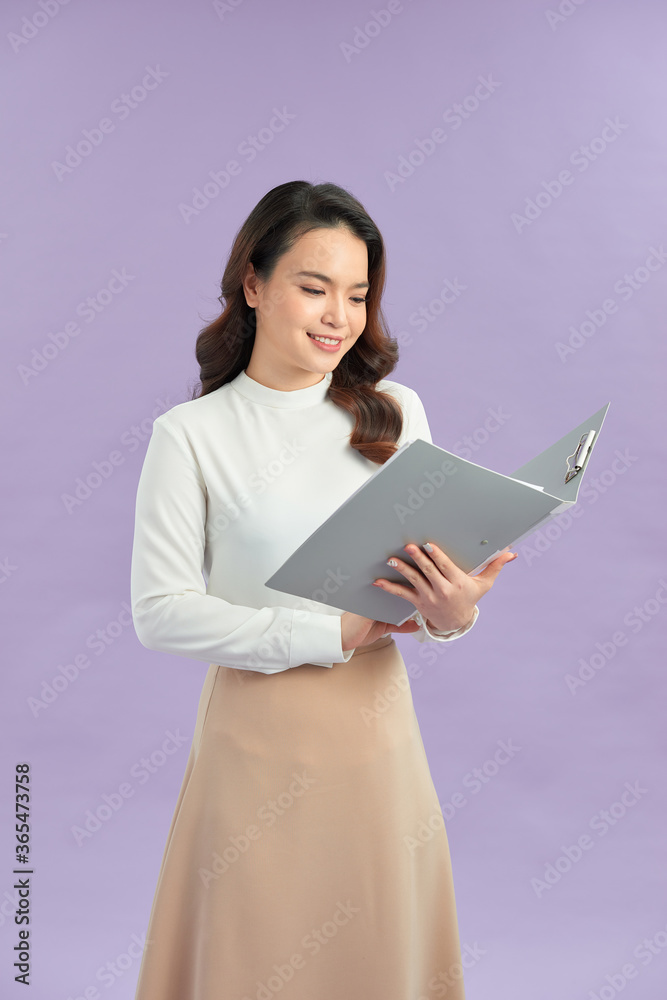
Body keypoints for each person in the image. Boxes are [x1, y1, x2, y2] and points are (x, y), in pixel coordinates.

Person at [130, 180, 516, 1000]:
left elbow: (419, 589)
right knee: (249, 959)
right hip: (251, 745)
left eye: (357, 295)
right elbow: (159, 612)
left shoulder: (393, 413)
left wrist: (453, 615)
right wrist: (322, 636)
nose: (338, 315)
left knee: (378, 959)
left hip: (377, 743)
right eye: (313, 287)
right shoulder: (191, 435)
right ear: (254, 284)